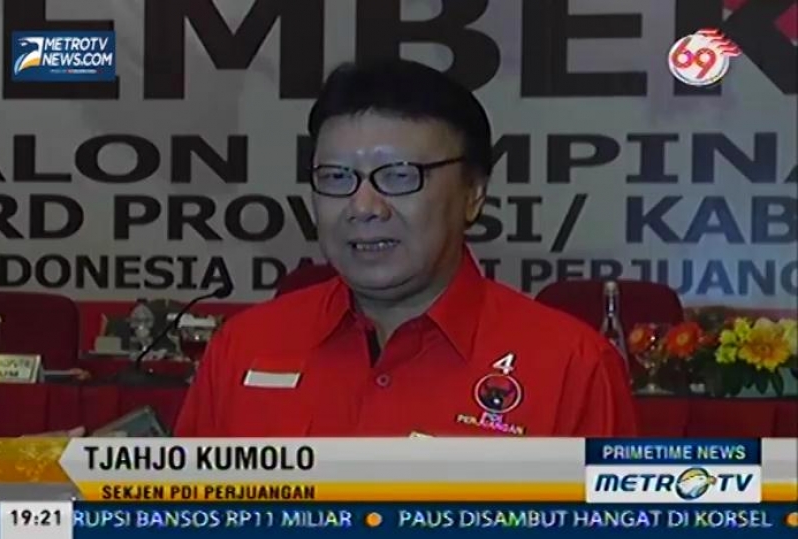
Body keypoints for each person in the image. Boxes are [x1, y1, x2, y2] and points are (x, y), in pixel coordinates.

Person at [175, 59, 637, 437]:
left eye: (399, 176)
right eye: (336, 177)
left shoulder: (573, 368)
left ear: (473, 194)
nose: (363, 207)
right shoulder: (242, 347)